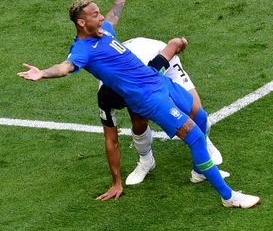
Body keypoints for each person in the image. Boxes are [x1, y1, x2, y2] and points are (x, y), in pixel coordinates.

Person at [18, 0, 260, 208]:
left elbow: (112, 17)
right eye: (95, 14)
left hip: (158, 81)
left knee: (201, 118)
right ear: (82, 22)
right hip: (149, 99)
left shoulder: (103, 32)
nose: (101, 17)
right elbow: (66, 66)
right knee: (196, 138)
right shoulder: (82, 49)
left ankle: (200, 172)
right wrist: (43, 73)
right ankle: (229, 197)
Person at [96, 36, 228, 201]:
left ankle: (204, 145)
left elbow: (172, 47)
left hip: (158, 60)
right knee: (139, 120)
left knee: (197, 112)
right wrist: (116, 182)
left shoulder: (147, 70)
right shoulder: (104, 96)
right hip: (136, 80)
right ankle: (146, 160)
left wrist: (180, 42)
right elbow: (111, 140)